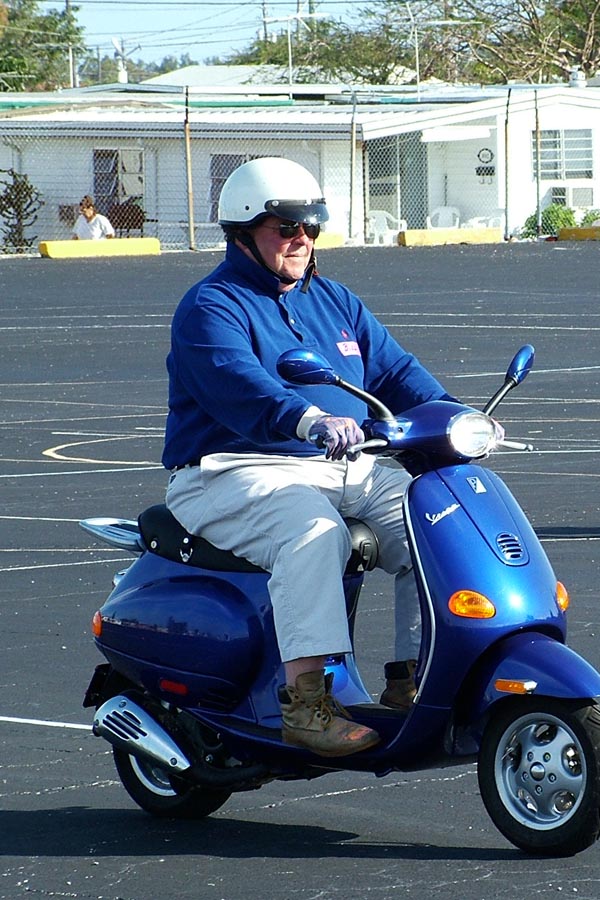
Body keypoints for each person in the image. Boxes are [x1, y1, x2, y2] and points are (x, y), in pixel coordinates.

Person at [162, 157, 454, 757]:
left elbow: (395, 371)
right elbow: (239, 383)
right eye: (287, 227)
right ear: (242, 232)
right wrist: (309, 418)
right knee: (314, 532)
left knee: (437, 518)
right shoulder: (211, 307)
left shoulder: (335, 300)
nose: (302, 239)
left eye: (312, 227)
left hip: (341, 465)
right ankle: (306, 704)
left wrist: (453, 415)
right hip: (233, 472)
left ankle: (414, 678)